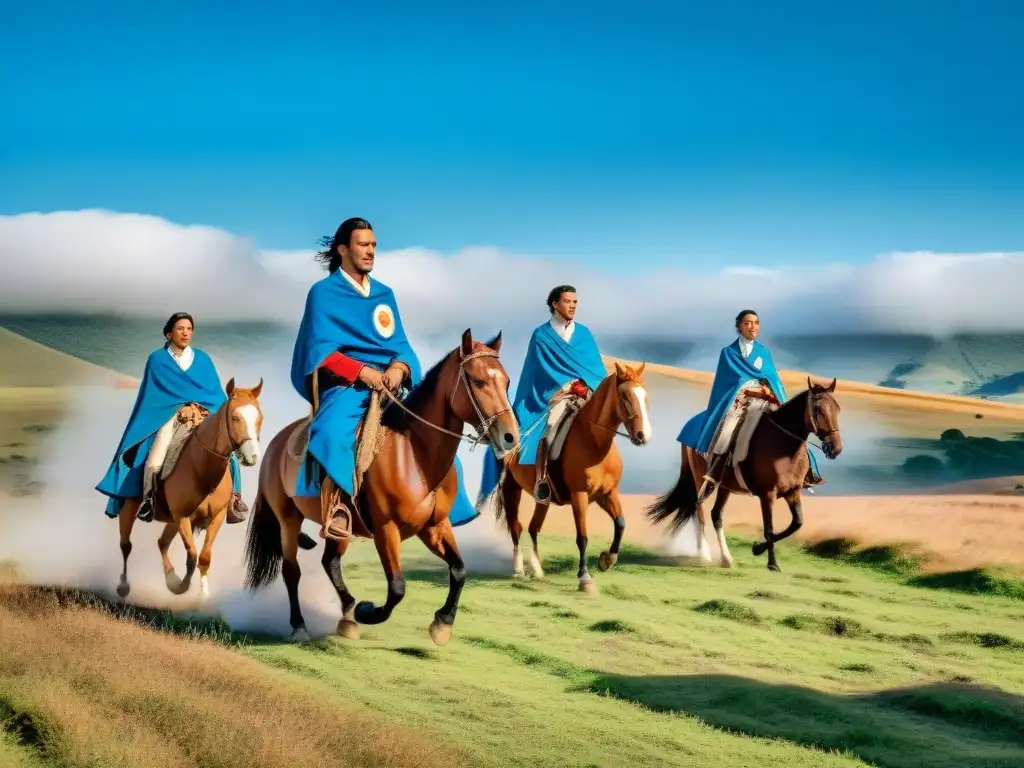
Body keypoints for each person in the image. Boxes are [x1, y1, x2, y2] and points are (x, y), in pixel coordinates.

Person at [290, 217, 479, 540]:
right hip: (347, 387)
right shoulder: (323, 293)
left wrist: (399, 368)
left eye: (374, 245)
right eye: (363, 245)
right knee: (331, 433)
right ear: (343, 249)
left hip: (390, 387)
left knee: (435, 436)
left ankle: (443, 506)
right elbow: (320, 349)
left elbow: (399, 344)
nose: (371, 251)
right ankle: (338, 508)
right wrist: (362, 372)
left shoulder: (384, 294)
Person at [96, 312, 249, 524]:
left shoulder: (203, 359)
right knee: (154, 460)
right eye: (180, 328)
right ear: (169, 333)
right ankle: (149, 500)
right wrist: (179, 409)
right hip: (169, 417)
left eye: (189, 329)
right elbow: (153, 396)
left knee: (227, 452)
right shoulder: (157, 359)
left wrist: (197, 409)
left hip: (202, 416)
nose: (186, 333)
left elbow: (214, 395)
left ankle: (234, 499)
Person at [479, 284, 607, 505]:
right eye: (568, 301)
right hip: (553, 397)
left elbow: (596, 370)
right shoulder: (541, 335)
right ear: (554, 304)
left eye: (575, 302)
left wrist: (583, 386)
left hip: (586, 394)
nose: (573, 306)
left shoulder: (584, 333)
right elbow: (537, 372)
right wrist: (563, 388)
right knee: (549, 429)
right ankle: (541, 480)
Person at [677, 309, 823, 490]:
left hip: (765, 400)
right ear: (739, 327)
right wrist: (745, 391)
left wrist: (767, 390)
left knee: (790, 427)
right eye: (747, 323)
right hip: (739, 403)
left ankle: (806, 472)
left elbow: (772, 379)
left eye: (756, 323)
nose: (752, 327)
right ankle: (715, 472)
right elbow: (726, 383)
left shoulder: (764, 352)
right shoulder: (728, 353)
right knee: (727, 430)